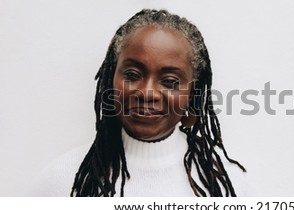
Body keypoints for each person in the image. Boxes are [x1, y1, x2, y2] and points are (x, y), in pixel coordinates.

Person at [27, 9, 247, 197]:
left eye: (170, 81)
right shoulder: (63, 180)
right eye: (132, 75)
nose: (147, 93)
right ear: (109, 80)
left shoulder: (228, 185)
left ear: (193, 93)